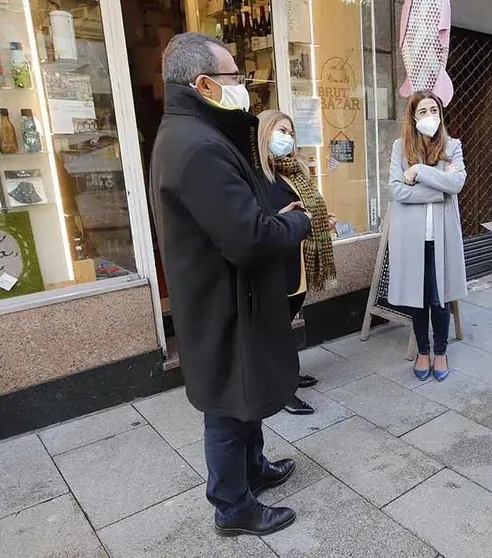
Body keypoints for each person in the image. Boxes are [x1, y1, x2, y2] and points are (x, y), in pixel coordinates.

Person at [149, 33, 312, 536]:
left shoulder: (197, 132)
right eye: (234, 77)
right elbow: (246, 239)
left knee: (246, 394)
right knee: (227, 403)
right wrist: (296, 223)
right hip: (221, 302)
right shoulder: (198, 146)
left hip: (228, 296)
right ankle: (232, 505)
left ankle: (253, 469)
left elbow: (233, 215)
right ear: (203, 84)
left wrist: (267, 216)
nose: (242, 85)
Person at [257, 109, 338, 415]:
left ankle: (287, 376)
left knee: (285, 323)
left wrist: (320, 221)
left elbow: (308, 210)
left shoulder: (294, 171)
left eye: (291, 133)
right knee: (276, 328)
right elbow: (255, 222)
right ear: (265, 134)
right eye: (281, 131)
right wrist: (281, 217)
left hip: (301, 259)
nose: (287, 138)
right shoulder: (258, 176)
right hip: (278, 264)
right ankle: (282, 390)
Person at [388, 90, 467, 381]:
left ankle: (441, 351)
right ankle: (423, 351)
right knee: (417, 297)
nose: (429, 116)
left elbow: (457, 183)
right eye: (422, 111)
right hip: (412, 236)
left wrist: (419, 171)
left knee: (440, 296)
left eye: (433, 110)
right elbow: (397, 191)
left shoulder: (453, 145)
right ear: (413, 116)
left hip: (442, 234)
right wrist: (439, 188)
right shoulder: (400, 148)